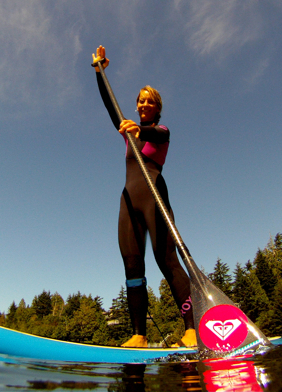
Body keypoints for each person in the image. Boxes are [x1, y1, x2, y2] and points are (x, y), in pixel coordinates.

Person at [92, 45, 196, 348]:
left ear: (157, 108)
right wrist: (99, 70)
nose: (143, 104)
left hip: (155, 199)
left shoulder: (158, 130)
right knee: (132, 266)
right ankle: (139, 334)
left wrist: (139, 130)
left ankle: (190, 329)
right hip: (128, 203)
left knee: (167, 262)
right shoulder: (129, 130)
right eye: (140, 101)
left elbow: (159, 135)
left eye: (149, 101)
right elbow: (112, 107)